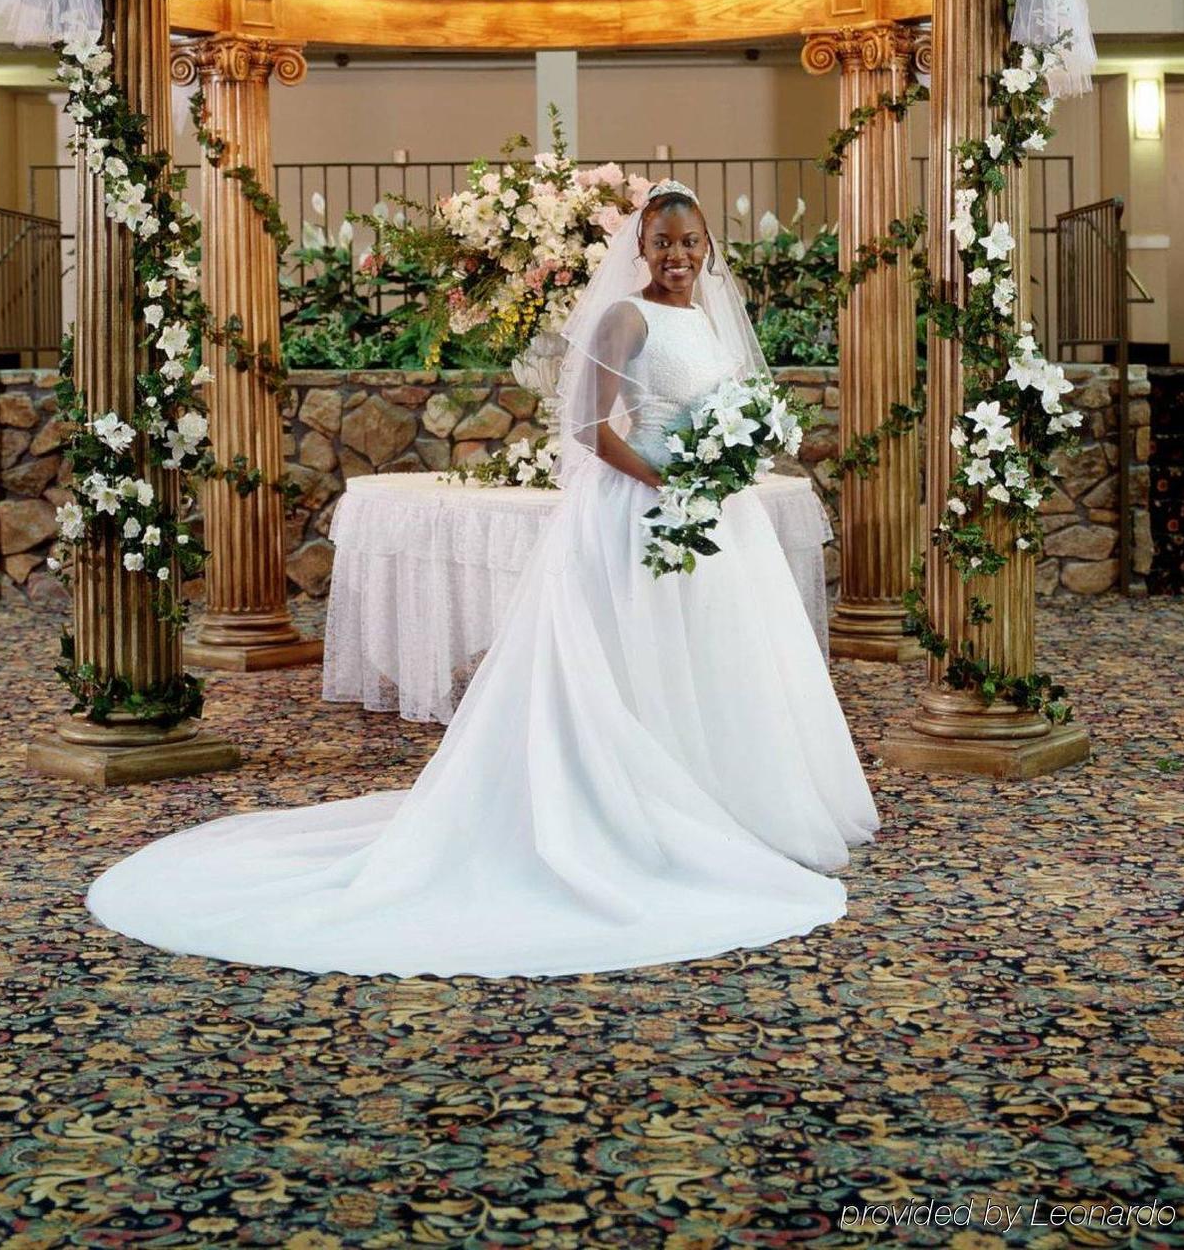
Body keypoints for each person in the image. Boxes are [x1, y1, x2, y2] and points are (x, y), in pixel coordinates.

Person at [87, 181, 880, 978]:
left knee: (711, 655)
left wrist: (728, 457)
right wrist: (662, 482)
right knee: (632, 656)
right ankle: (630, 809)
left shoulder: (706, 314)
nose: (679, 254)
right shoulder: (624, 316)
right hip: (642, 505)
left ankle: (722, 798)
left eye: (691, 241)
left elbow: (724, 402)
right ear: (639, 247)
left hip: (707, 509)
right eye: (664, 241)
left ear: (709, 245)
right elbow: (588, 429)